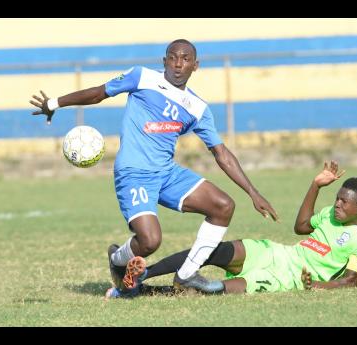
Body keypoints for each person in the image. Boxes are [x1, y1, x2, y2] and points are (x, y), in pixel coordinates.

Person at [29, 39, 278, 298]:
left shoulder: (198, 108)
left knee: (223, 206)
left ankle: (187, 275)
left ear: (196, 65)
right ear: (164, 61)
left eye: (184, 59)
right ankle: (117, 260)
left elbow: (221, 153)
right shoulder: (141, 77)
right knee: (149, 241)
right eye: (172, 57)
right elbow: (98, 93)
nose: (178, 64)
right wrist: (54, 103)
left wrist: (253, 192)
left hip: (168, 174)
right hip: (134, 172)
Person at [130, 161, 357, 296]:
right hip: (277, 253)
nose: (337, 204)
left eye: (344, 202)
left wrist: (315, 285)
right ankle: (143, 273)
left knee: (212, 289)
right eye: (337, 198)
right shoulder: (329, 215)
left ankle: (146, 291)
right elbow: (301, 227)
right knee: (212, 250)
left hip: (288, 278)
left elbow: (351, 282)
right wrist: (316, 185)